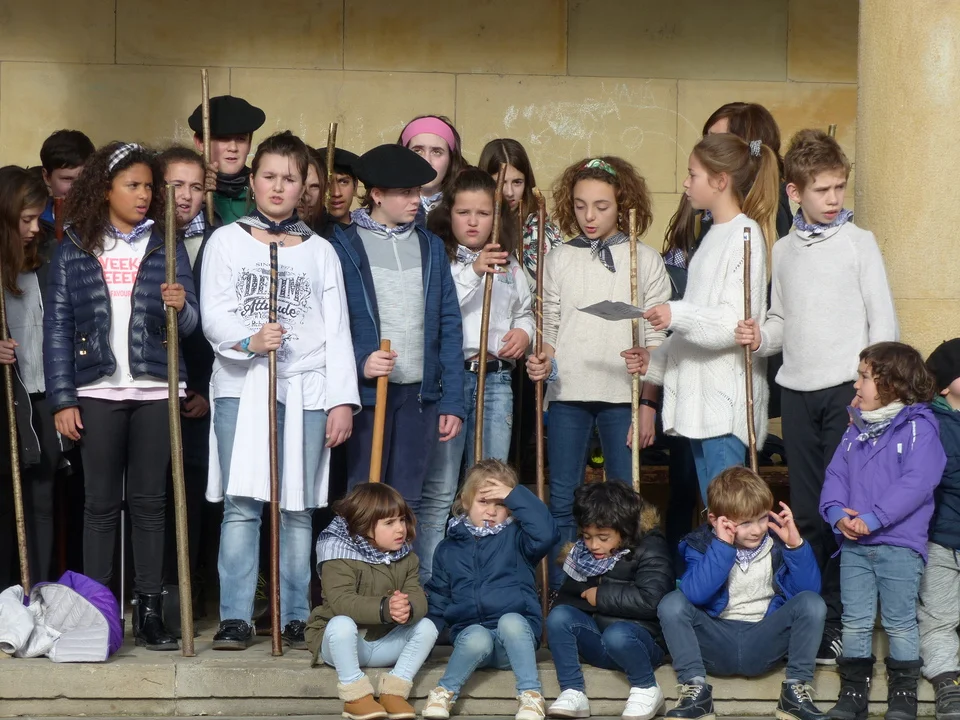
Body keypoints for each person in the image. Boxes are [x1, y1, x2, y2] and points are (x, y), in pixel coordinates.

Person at [735, 129, 898, 664]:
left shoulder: (859, 242)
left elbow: (884, 324)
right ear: (794, 192)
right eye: (822, 190)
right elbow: (781, 320)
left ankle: (845, 621)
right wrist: (760, 336)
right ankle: (813, 617)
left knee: (844, 510)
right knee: (805, 511)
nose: (833, 199)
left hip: (848, 396)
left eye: (839, 188)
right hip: (797, 395)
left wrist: (878, 396)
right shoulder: (782, 250)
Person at [200, 131, 359, 651]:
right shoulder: (226, 241)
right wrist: (249, 340)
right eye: (268, 176)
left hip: (307, 389)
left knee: (297, 507)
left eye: (289, 179)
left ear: (303, 187)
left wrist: (341, 400)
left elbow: (337, 329)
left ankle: (295, 615)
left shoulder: (321, 252)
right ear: (252, 180)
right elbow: (214, 313)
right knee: (242, 504)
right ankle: (235, 617)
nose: (277, 186)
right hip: (241, 386)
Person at [43, 141, 199, 650]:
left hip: (156, 387)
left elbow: (192, 324)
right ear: (105, 189)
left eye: (149, 186)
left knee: (152, 503)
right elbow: (57, 328)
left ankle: (149, 611)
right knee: (100, 504)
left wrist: (180, 306)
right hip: (96, 389)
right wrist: (63, 398)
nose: (144, 194)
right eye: (132, 185)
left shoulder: (167, 242)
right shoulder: (74, 245)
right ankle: (98, 609)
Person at [525, 156, 671, 590]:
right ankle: (563, 590)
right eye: (581, 205)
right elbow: (549, 326)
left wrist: (648, 400)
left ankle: (620, 590)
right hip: (568, 391)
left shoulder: (644, 259)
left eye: (602, 206)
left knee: (624, 498)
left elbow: (659, 339)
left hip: (622, 394)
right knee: (563, 496)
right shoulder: (559, 258)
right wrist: (543, 359)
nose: (589, 216)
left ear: (623, 203)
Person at [622, 133, 779, 503]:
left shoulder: (744, 234)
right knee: (716, 515)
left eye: (693, 175)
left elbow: (733, 325)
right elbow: (695, 331)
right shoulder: (713, 236)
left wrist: (674, 312)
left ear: (720, 181)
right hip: (702, 404)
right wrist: (653, 361)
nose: (685, 183)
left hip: (723, 408)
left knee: (729, 516)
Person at [332, 144, 465, 515]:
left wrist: (452, 400)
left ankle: (402, 557)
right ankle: (358, 556)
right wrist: (361, 362)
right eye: (405, 192)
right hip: (368, 395)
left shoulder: (430, 247)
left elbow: (450, 324)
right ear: (376, 195)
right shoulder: (342, 246)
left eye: (418, 192)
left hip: (419, 396)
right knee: (363, 495)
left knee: (409, 500)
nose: (415, 200)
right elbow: (332, 325)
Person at [415, 169, 531, 583]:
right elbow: (438, 308)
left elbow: (524, 311)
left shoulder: (510, 264)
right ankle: (431, 583)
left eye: (483, 213)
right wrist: (475, 271)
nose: (473, 221)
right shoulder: (440, 259)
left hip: (496, 380)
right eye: (464, 212)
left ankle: (486, 580)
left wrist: (524, 333)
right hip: (451, 381)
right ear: (449, 213)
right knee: (441, 486)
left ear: (497, 217)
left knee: (492, 482)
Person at [820, 342, 946, 720]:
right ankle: (853, 692)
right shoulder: (856, 429)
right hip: (855, 545)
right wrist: (836, 513)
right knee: (855, 622)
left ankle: (903, 694)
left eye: (864, 377)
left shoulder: (920, 428)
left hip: (900, 545)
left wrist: (874, 518)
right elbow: (836, 475)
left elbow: (917, 482)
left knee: (900, 622)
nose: (856, 385)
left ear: (892, 384)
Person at [657, 467, 827, 720]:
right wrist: (722, 546)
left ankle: (794, 691)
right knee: (672, 603)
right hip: (715, 641)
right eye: (745, 523)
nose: (757, 529)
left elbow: (808, 594)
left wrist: (795, 546)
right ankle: (696, 692)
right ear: (715, 520)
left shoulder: (778, 543)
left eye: (762, 518)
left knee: (812, 603)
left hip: (764, 639)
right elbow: (696, 594)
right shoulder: (699, 544)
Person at [422, 459, 559, 720]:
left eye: (501, 503)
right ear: (465, 502)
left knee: (511, 621)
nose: (491, 511)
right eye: (483, 502)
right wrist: (423, 642)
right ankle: (444, 692)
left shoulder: (519, 538)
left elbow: (547, 533)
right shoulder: (448, 548)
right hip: (472, 642)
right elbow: (439, 597)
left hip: (516, 642)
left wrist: (515, 495)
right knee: (477, 636)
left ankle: (531, 696)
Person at [306, 483, 438, 720]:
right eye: (389, 523)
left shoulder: (407, 558)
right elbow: (342, 601)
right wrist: (385, 608)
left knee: (427, 627)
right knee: (341, 624)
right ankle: (355, 696)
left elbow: (416, 593)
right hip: (343, 647)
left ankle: (394, 691)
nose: (400, 529)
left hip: (385, 642)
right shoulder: (338, 554)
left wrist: (407, 608)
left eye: (402, 520)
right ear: (364, 525)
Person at [546, 482, 674, 720]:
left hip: (640, 644)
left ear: (624, 530)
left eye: (603, 537)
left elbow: (653, 601)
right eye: (587, 536)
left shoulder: (650, 548)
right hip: (599, 641)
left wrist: (600, 596)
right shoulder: (583, 555)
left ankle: (646, 687)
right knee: (559, 617)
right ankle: (573, 691)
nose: (593, 545)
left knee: (617, 634)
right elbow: (568, 601)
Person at [157, 145, 214, 620]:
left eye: (196, 187)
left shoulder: (218, 241)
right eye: (176, 184)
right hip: (152, 387)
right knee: (151, 494)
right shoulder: (143, 242)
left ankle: (187, 593)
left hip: (199, 391)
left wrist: (206, 389)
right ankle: (149, 593)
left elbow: (218, 330)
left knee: (194, 496)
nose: (185, 196)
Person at [0, 166, 59, 588]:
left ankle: (33, 593)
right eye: (27, 219)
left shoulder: (45, 260)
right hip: (6, 400)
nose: (36, 228)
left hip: (40, 399)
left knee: (41, 504)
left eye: (38, 218)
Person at [920, 339, 960, 720]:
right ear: (946, 386)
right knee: (938, 619)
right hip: (941, 541)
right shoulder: (926, 424)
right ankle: (947, 682)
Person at [477, 138, 563, 288]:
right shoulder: (471, 228)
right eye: (501, 183)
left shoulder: (543, 232)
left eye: (517, 182)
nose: (509, 192)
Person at [188, 95, 266, 225]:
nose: (233, 148)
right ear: (200, 142)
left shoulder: (263, 189)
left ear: (250, 143)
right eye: (223, 139)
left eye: (241, 139)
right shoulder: (182, 190)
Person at [398, 115, 467, 225]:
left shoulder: (465, 208)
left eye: (436, 152)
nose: (427, 161)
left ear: (451, 160)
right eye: (417, 151)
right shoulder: (386, 207)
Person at [38, 129, 95, 243]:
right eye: (67, 179)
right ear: (47, 177)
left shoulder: (104, 222)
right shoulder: (35, 222)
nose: (77, 188)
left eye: (83, 179)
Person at [316, 146, 360, 229]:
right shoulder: (302, 233)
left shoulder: (368, 232)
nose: (336, 193)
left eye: (343, 182)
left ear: (355, 186)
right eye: (327, 184)